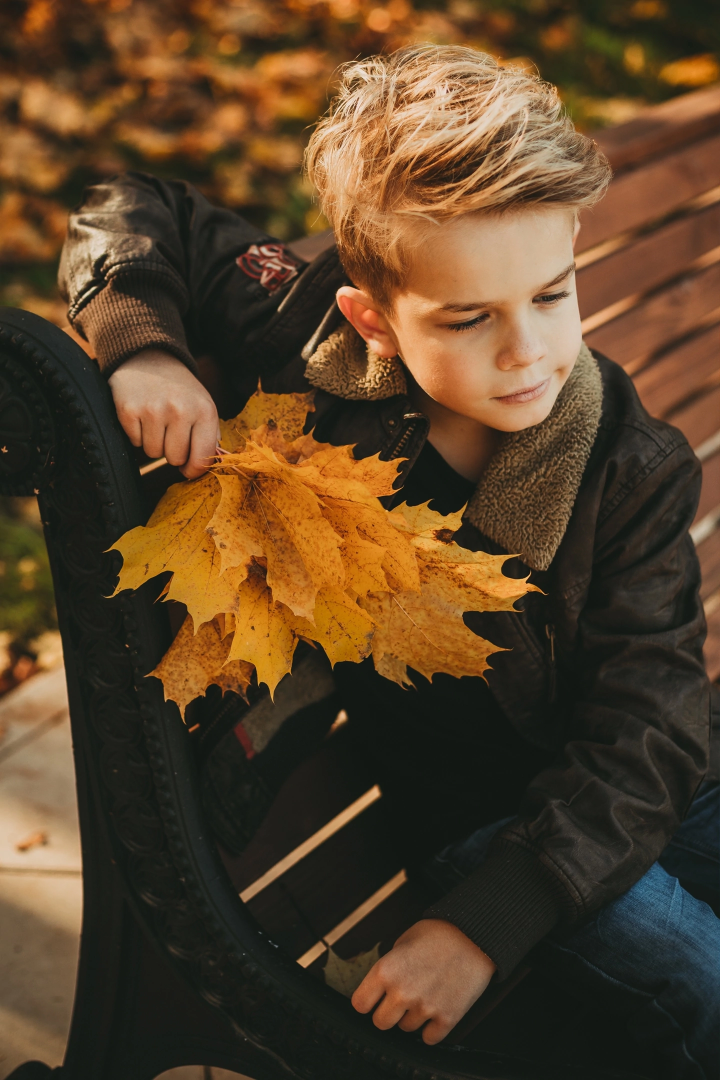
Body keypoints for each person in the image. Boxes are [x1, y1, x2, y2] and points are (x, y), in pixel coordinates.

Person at [59, 45, 718, 1079]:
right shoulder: (310, 335)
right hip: (495, 835)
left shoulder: (627, 465)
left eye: (552, 295)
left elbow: (651, 722)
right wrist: (144, 346)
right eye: (470, 317)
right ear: (373, 319)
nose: (529, 351)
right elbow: (139, 206)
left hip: (640, 785)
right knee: (700, 974)